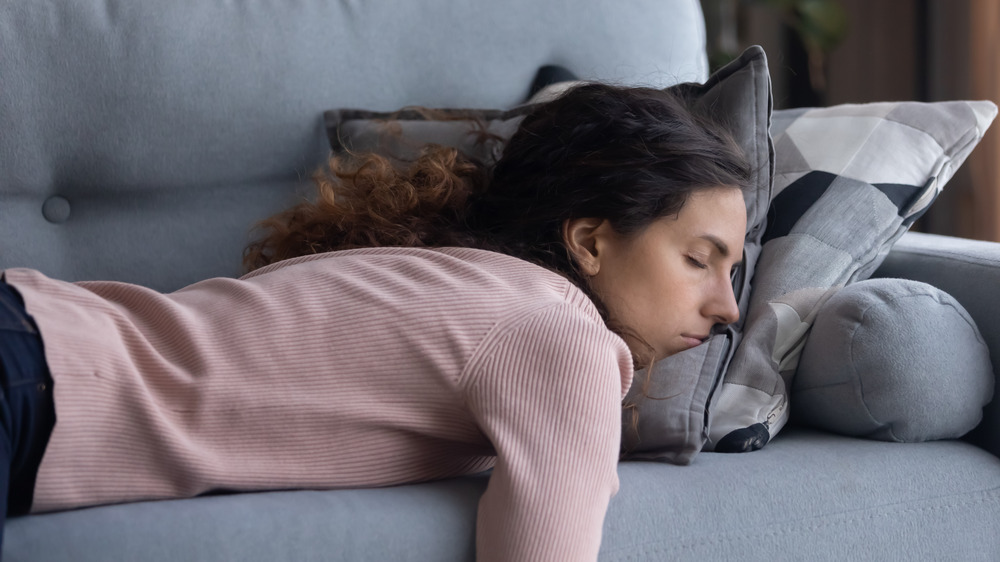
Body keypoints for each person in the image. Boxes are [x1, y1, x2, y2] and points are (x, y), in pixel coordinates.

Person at [0, 83, 750, 561]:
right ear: (589, 240)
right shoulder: (560, 336)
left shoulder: (454, 279)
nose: (728, 309)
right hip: (28, 376)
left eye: (733, 271)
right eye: (699, 259)